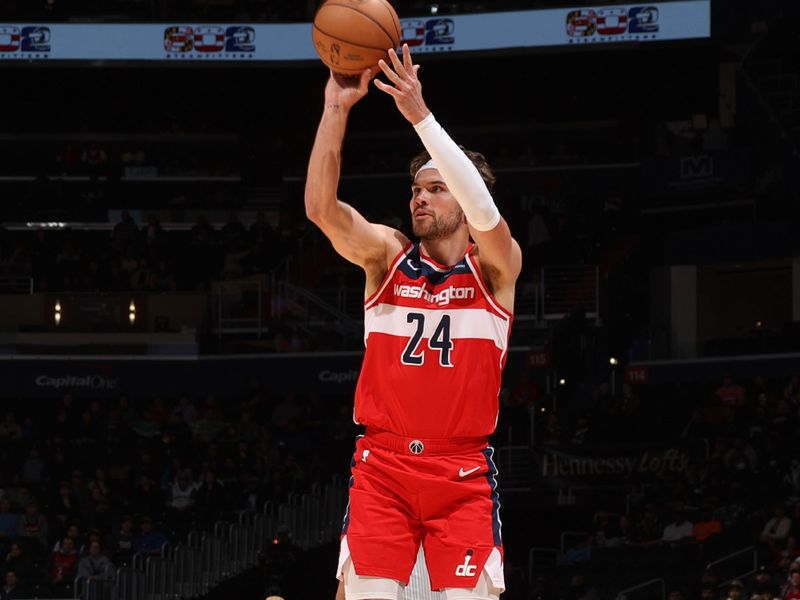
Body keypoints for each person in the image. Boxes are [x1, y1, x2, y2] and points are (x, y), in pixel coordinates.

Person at [306, 44, 521, 600]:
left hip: (463, 475)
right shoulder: (386, 257)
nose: (419, 198)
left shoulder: (498, 268)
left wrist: (421, 117)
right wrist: (336, 106)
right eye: (415, 189)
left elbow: (487, 214)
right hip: (384, 469)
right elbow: (321, 210)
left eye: (435, 187)